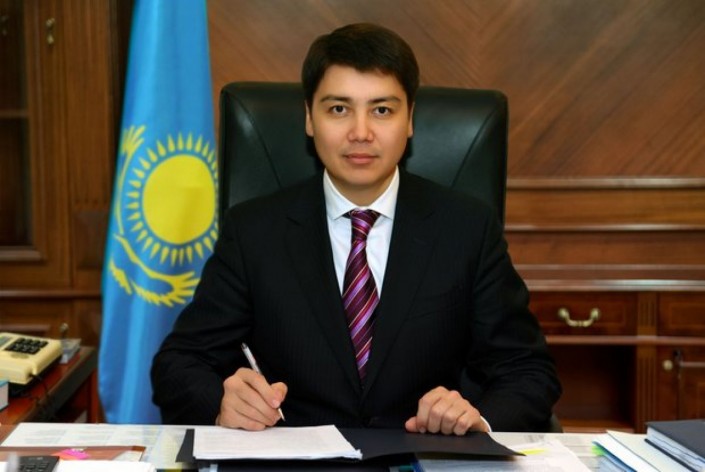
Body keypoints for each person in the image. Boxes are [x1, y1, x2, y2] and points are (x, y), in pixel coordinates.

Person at [151, 22, 561, 435]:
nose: (360, 133)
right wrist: (224, 404)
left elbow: (527, 371)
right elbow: (179, 363)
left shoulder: (467, 228)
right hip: (295, 459)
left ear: (410, 119)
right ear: (309, 118)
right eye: (338, 109)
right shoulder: (253, 231)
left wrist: (477, 420)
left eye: (381, 110)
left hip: (423, 454)